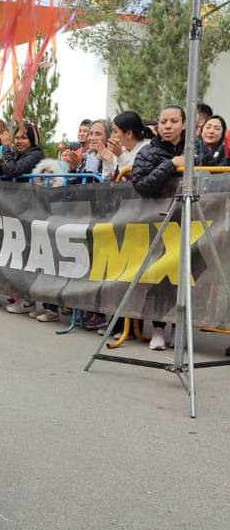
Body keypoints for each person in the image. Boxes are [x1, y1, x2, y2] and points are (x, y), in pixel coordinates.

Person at [132, 105, 187, 352]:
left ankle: (180, 327)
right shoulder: (148, 152)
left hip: (194, 220)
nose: (168, 126)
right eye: (163, 121)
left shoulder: (195, 149)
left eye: (174, 121)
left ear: (184, 124)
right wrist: (171, 165)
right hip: (160, 220)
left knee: (190, 274)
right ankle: (158, 327)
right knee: (162, 275)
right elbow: (141, 184)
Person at [99, 111, 151, 180]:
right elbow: (107, 179)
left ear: (129, 133)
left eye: (115, 132)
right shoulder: (120, 149)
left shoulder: (148, 148)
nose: (111, 136)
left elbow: (136, 177)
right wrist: (108, 161)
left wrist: (120, 155)